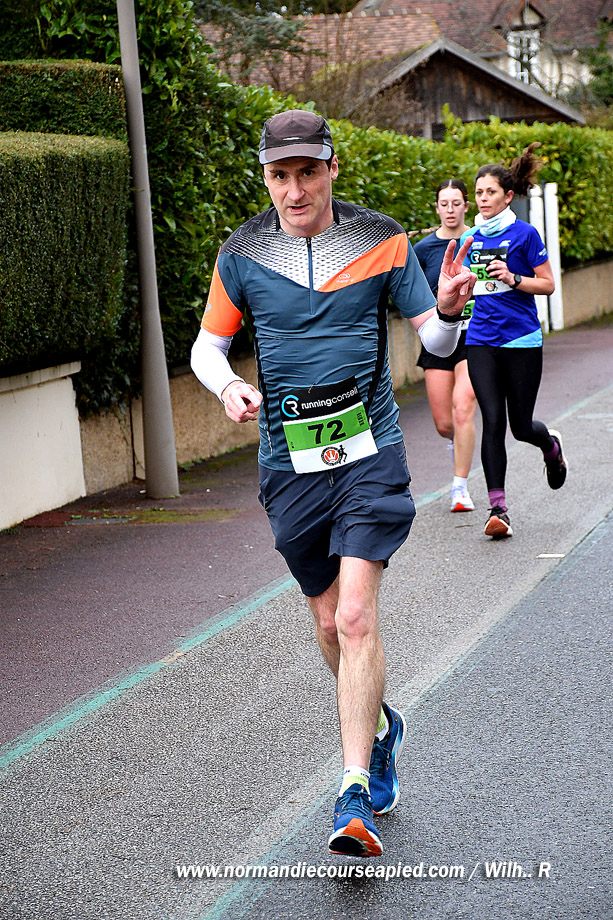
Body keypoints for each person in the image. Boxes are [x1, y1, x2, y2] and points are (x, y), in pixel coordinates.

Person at [191, 110, 475, 857]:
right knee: (326, 624)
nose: (295, 190)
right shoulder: (242, 252)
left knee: (353, 617)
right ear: (265, 178)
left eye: (307, 172)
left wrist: (449, 312)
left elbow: (433, 336)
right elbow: (206, 348)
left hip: (368, 452)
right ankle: (380, 729)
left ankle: (353, 794)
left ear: (331, 169)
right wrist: (227, 386)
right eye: (279, 176)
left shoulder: (380, 238)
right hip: (289, 466)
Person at [462, 144, 568, 539]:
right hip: (481, 339)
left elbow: (548, 284)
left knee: (521, 427)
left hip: (521, 338)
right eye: (479, 192)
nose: (483, 199)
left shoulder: (525, 234)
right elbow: (462, 285)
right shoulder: (470, 237)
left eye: (490, 192)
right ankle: (498, 510)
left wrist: (513, 278)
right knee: (492, 420)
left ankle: (551, 448)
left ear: (508, 196)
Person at [413, 180, 477, 512]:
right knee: (444, 424)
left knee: (463, 407)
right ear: (436, 207)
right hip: (437, 339)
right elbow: (415, 299)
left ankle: (459, 488)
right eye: (444, 203)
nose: (450, 210)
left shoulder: (480, 241)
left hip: (474, 337)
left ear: (466, 205)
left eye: (456, 203)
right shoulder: (422, 250)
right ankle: (459, 443)